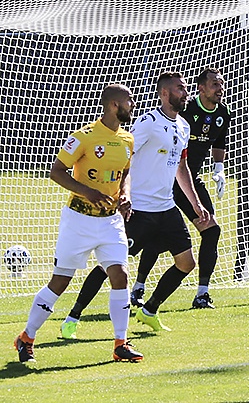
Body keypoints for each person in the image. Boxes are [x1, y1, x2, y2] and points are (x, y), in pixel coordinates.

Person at [59, 72, 209, 337]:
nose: (185, 93)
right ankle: (73, 316)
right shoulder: (148, 123)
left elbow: (181, 167)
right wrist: (119, 195)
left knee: (186, 263)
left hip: (166, 208)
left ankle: (149, 310)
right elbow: (122, 155)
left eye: (185, 89)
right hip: (139, 210)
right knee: (110, 267)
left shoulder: (184, 126)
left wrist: (195, 204)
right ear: (165, 93)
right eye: (180, 89)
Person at [14, 84, 143, 363]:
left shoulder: (128, 139)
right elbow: (56, 172)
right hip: (78, 220)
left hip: (110, 222)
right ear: (113, 105)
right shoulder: (83, 137)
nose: (133, 103)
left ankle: (120, 343)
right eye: (128, 100)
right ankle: (26, 338)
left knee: (120, 275)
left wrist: (125, 196)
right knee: (60, 281)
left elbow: (125, 174)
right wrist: (88, 192)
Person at [129, 68, 231, 310]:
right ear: (201, 89)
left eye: (222, 84)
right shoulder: (184, 112)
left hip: (189, 180)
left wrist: (219, 167)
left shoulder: (223, 113)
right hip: (165, 181)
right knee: (155, 237)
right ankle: (138, 287)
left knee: (211, 230)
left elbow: (219, 141)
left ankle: (202, 294)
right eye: (215, 84)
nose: (220, 89)